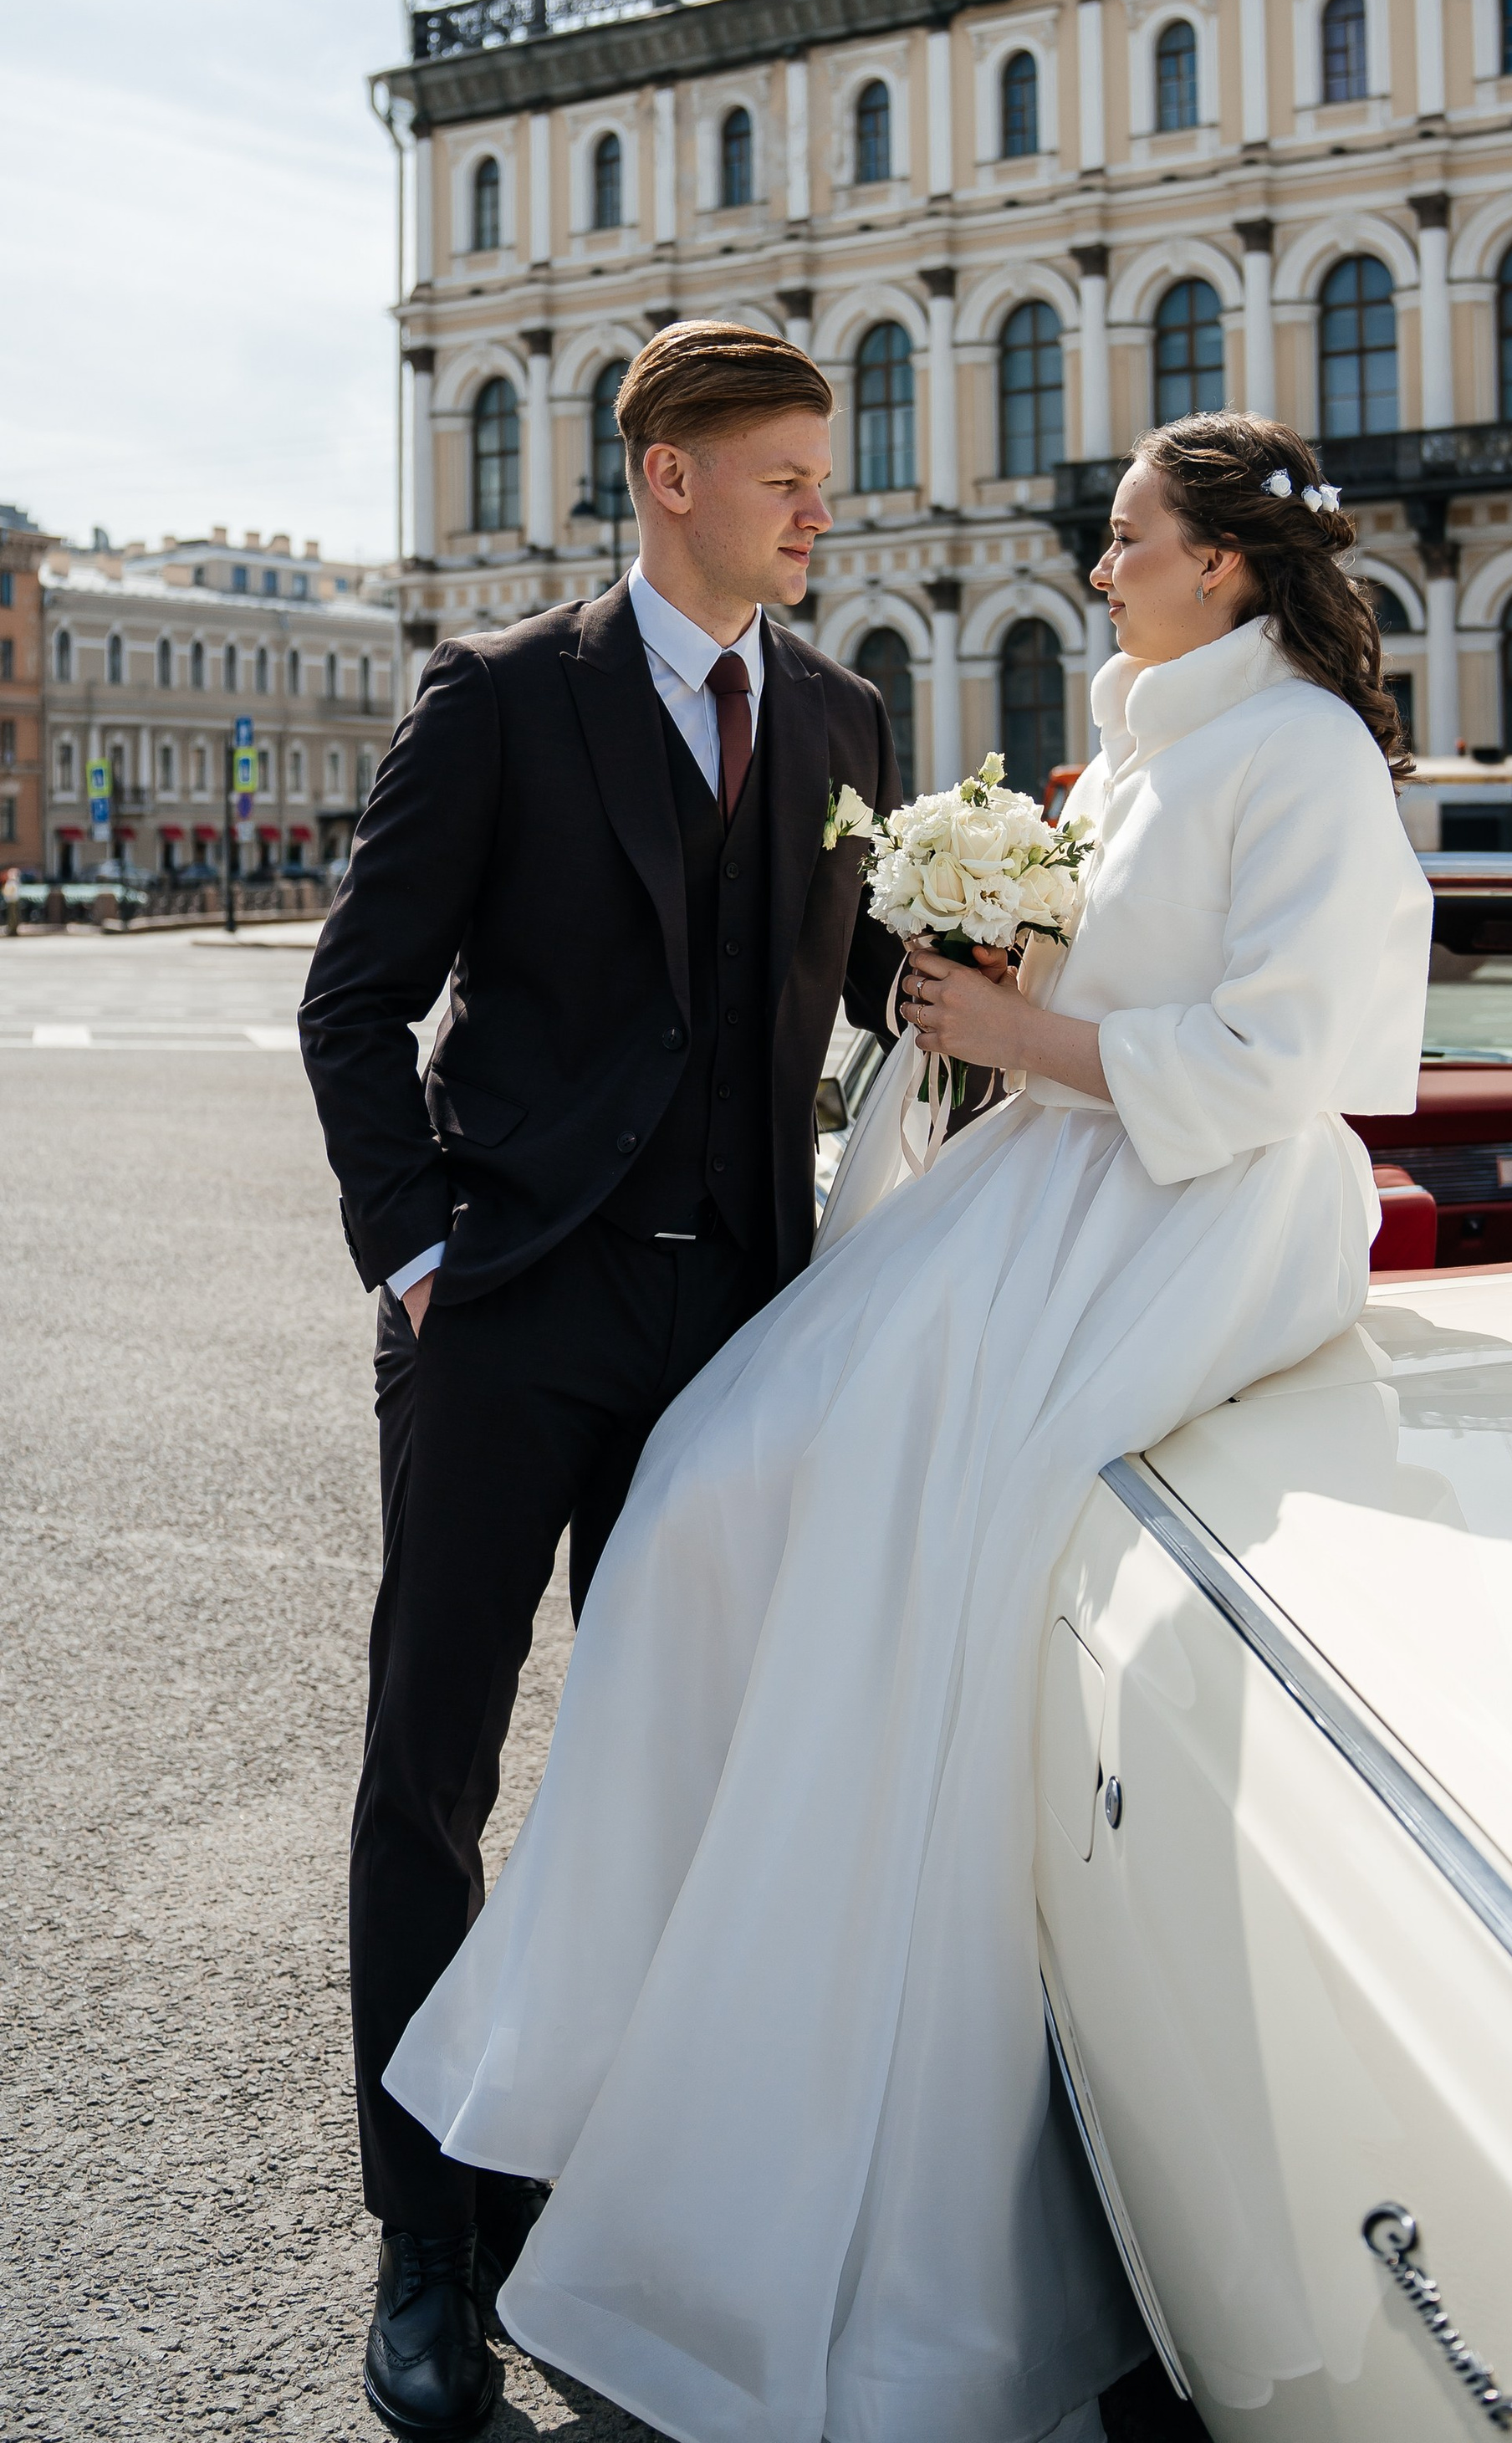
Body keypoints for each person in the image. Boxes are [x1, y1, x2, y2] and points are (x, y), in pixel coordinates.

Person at [381, 413, 1435, 2443]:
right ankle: (629, 2054)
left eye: (1122, 532)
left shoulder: (1295, 748)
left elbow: (1302, 1052)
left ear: (1218, 564)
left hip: (1179, 1206)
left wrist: (1019, 1025)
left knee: (886, 1540)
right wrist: (997, 968)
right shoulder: (1145, 725)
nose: (1093, 554)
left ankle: (820, 2096)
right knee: (715, 1484)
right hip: (1053, 1175)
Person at [298, 323, 908, 2439]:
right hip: (514, 1319)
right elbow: (356, 996)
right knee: (430, 1777)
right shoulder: (500, 695)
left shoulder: (841, 713)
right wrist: (421, 1246)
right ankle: (424, 2242)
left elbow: (912, 988)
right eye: (784, 475)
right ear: (667, 475)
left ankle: (608, 2186)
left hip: (733, 1330)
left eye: (822, 475)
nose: (821, 508)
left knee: (692, 1779)